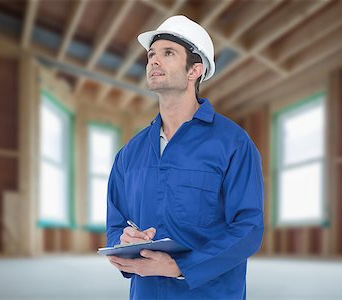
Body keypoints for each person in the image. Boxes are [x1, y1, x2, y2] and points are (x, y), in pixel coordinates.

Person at [106, 15, 264, 299]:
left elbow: (248, 228)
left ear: (195, 70)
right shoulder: (129, 153)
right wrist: (123, 240)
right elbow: (116, 223)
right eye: (151, 54)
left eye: (168, 53)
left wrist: (181, 266)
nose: (154, 60)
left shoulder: (232, 143)